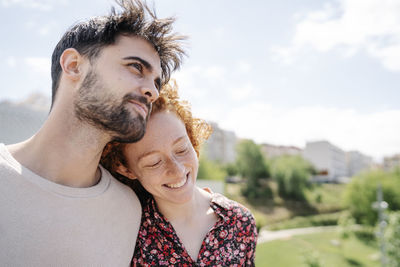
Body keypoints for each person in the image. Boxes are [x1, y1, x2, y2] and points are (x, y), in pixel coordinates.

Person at [0, 0, 185, 266]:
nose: (153, 92)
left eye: (156, 82)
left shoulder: (128, 210)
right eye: (136, 67)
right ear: (74, 65)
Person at [101, 82, 258, 266]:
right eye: (154, 162)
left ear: (191, 139)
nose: (177, 170)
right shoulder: (127, 235)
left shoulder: (240, 222)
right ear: (125, 168)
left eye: (182, 149)